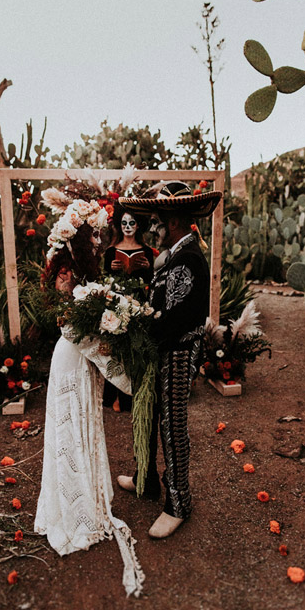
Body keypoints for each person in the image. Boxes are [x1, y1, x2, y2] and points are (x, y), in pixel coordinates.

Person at [33, 202, 145, 598]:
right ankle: (73, 507)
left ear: (76, 270)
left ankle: (90, 496)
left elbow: (96, 346)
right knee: (68, 431)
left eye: (67, 273)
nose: (62, 280)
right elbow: (86, 343)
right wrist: (126, 376)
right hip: (66, 367)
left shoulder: (85, 296)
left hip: (81, 369)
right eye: (58, 274)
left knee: (85, 425)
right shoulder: (74, 302)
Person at [116, 182, 221, 539]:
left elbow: (178, 316)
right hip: (162, 346)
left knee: (172, 424)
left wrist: (145, 333)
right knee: (147, 413)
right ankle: (146, 480)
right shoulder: (173, 253)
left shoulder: (188, 257)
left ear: (174, 221)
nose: (152, 227)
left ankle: (178, 503)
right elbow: (161, 302)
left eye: (158, 221)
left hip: (178, 349)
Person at [101, 206, 155, 412]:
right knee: (116, 349)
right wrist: (112, 270)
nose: (128, 227)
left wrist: (146, 268)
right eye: (124, 223)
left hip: (139, 303)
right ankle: (114, 396)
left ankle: (133, 395)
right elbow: (106, 281)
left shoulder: (147, 251)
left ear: (138, 225)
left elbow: (151, 281)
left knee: (137, 348)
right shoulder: (111, 251)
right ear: (119, 225)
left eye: (132, 223)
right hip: (118, 303)